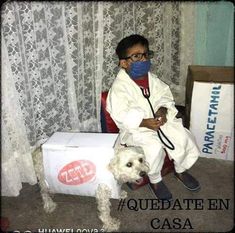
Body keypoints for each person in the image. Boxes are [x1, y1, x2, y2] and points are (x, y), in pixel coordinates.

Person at [106, 34, 200, 201]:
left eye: (145, 54)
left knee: (182, 135)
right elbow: (120, 115)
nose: (143, 60)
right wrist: (144, 123)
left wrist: (163, 110)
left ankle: (180, 170)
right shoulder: (119, 88)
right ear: (124, 62)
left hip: (159, 121)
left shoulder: (153, 80)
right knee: (153, 148)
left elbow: (164, 96)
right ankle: (155, 180)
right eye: (136, 56)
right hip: (137, 129)